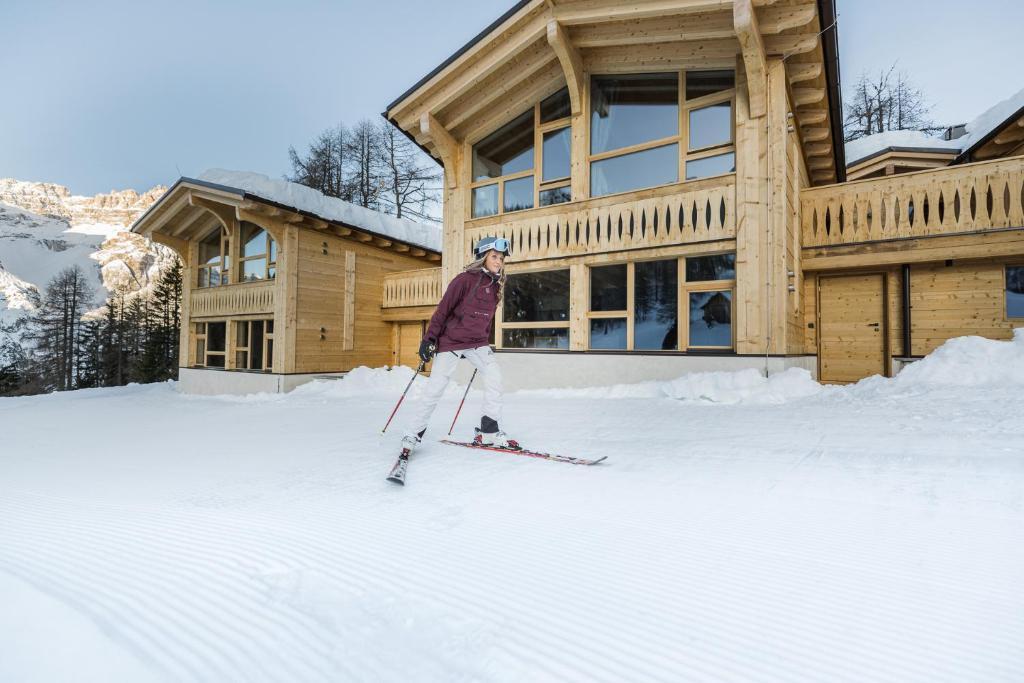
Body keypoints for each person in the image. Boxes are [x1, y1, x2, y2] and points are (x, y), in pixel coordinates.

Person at [400, 236, 519, 455]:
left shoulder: (495, 286)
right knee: (435, 388)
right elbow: (443, 311)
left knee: (495, 377)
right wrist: (429, 339)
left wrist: (483, 339)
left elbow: (486, 319)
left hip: (477, 344)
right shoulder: (464, 280)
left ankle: (489, 430)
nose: (499, 261)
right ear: (483, 257)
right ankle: (412, 433)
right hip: (452, 342)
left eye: (501, 258)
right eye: (494, 256)